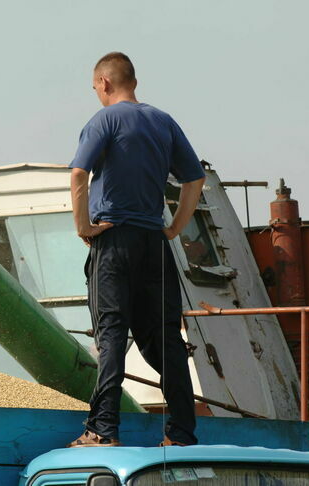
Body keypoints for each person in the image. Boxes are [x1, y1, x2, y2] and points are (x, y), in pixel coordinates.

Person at [67, 52, 206, 448]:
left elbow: (79, 173)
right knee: (166, 339)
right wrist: (173, 229)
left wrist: (83, 226)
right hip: (154, 244)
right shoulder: (163, 121)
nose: (96, 92)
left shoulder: (105, 120)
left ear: (105, 83)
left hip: (113, 241)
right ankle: (181, 434)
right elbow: (193, 179)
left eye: (95, 86)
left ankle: (102, 429)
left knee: (111, 335)